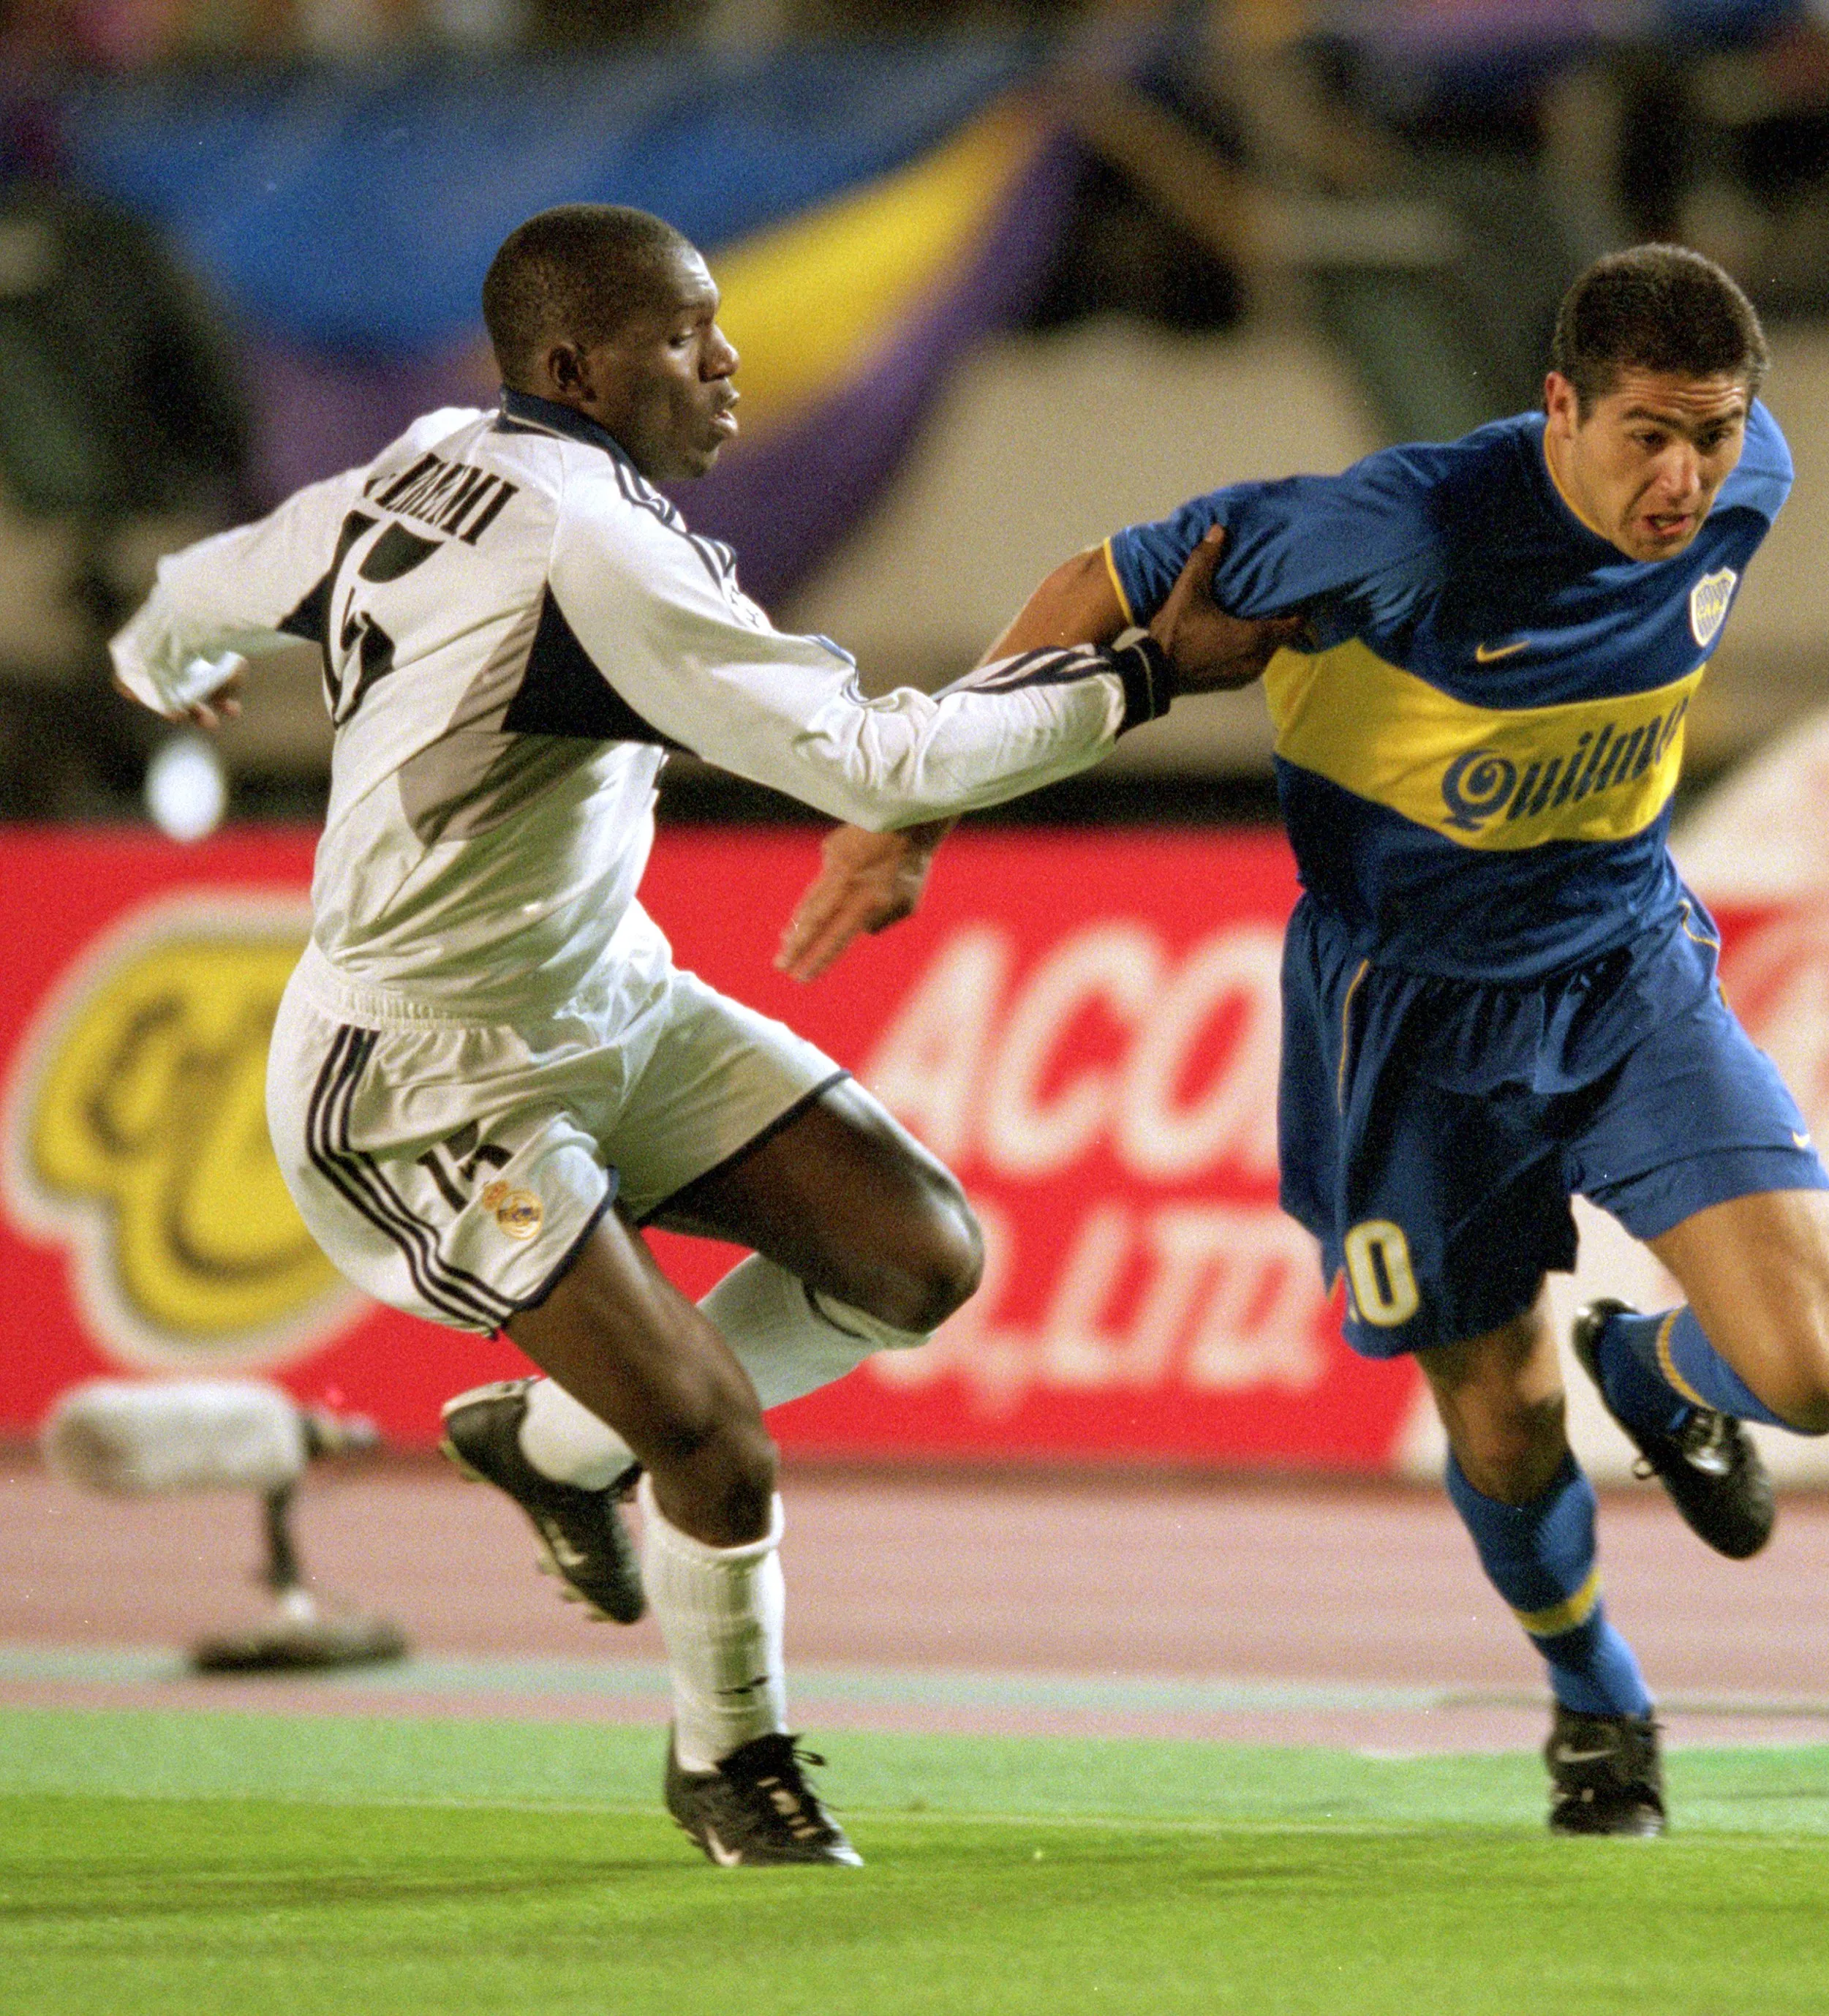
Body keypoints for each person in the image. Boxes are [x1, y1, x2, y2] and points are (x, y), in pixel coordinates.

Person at [108, 202, 1291, 1866]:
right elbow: (885, 765)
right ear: (580, 366)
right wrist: (1147, 681)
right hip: (426, 1080)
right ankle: (731, 1759)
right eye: (684, 334)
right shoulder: (596, 551)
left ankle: (557, 1444)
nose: (727, 359)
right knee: (718, 1449)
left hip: (604, 998)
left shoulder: (436, 459)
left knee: (919, 1253)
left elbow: (221, 575)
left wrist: (167, 654)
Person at [777, 244, 1829, 1836]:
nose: (1686, 476)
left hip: (1626, 970)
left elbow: (1713, 478)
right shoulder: (1398, 528)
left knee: (1826, 1373)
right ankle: (1596, 1702)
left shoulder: (1746, 481)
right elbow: (1104, 581)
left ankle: (1658, 1370)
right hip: (1409, 1023)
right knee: (1497, 1405)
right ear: (1556, 404)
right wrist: (913, 802)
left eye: (1713, 432)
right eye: (1647, 432)